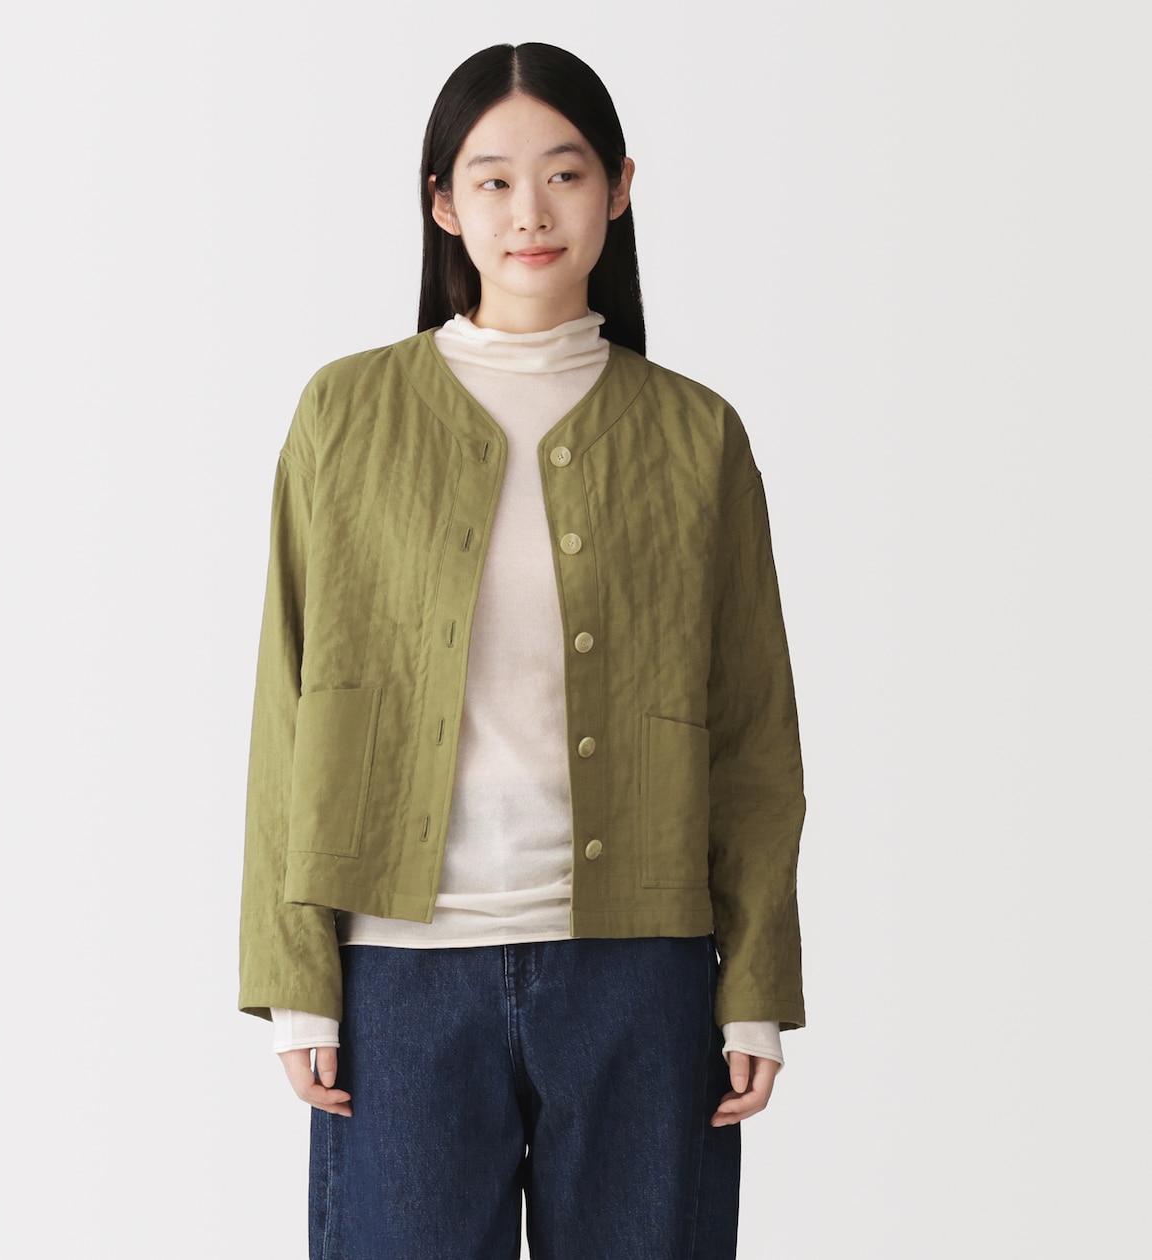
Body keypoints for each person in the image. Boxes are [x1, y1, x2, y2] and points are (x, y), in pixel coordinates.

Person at [238, 41, 806, 1260]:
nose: (530, 211)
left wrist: (755, 984)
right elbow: (288, 702)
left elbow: (755, 732)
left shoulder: (697, 436)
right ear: (443, 204)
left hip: (642, 978)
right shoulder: (345, 414)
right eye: (491, 180)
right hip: (398, 982)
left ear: (619, 188)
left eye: (564, 173)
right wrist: (297, 976)